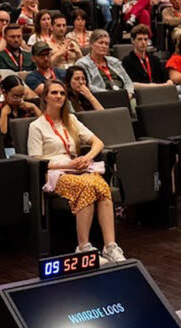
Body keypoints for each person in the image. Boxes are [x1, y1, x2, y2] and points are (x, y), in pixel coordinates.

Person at [27, 78, 125, 263]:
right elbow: (37, 161)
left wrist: (87, 158)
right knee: (86, 186)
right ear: (45, 97)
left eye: (62, 93)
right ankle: (83, 247)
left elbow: (98, 142)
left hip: (77, 168)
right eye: (54, 92)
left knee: (101, 185)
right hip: (55, 173)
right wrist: (67, 166)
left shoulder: (71, 120)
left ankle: (110, 246)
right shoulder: (36, 126)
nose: (59, 96)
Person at [0, 75, 41, 147]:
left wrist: (34, 108)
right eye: (15, 96)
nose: (19, 100)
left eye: (21, 96)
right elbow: (1, 136)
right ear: (4, 93)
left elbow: (45, 126)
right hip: (8, 148)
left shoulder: (27, 109)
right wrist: (4, 114)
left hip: (30, 144)